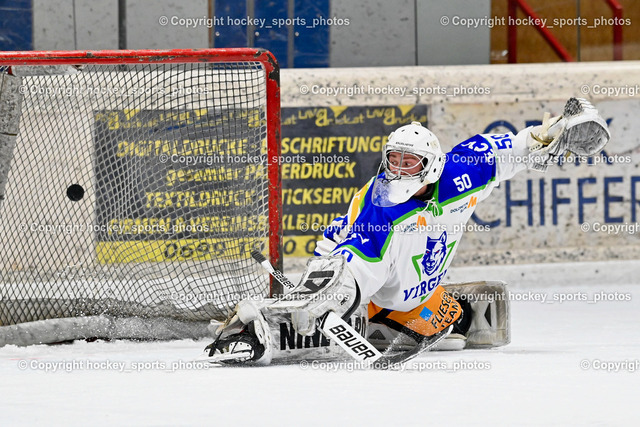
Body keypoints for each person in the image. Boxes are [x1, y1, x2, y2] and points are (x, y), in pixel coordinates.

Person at [204, 97, 610, 365]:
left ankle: (398, 315)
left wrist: (550, 135)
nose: (398, 170)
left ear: (432, 166)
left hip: (417, 290)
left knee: (452, 326)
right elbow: (350, 258)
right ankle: (257, 329)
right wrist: (317, 298)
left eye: (408, 162)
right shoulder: (381, 208)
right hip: (357, 267)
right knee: (321, 310)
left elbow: (516, 149)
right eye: (393, 160)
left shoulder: (464, 171)